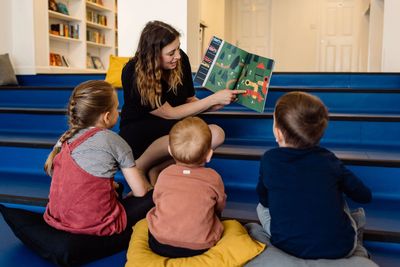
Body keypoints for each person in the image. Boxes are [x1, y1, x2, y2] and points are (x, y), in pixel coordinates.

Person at [119, 20, 244, 184]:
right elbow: (169, 113)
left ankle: (158, 168)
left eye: (178, 48)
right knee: (183, 132)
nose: (178, 55)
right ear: (153, 55)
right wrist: (211, 99)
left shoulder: (180, 59)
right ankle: (141, 167)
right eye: (171, 53)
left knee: (217, 134)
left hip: (174, 125)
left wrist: (215, 105)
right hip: (141, 131)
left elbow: (189, 101)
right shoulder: (132, 71)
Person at [256, 91, 372, 259]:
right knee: (340, 197)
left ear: (278, 132)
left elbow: (264, 199)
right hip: (339, 247)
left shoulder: (269, 159)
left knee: (261, 208)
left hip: (287, 245)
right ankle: (353, 223)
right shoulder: (329, 160)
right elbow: (364, 196)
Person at [43, 80, 154, 236]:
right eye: (116, 108)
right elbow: (141, 192)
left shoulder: (65, 138)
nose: (118, 111)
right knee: (152, 196)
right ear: (107, 116)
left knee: (116, 187)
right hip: (94, 224)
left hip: (57, 218)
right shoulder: (113, 140)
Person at [146, 116, 226, 258]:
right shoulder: (214, 177)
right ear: (209, 155)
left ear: (170, 151)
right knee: (217, 220)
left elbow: (156, 199)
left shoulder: (164, 174)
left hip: (159, 244)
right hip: (200, 246)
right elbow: (220, 206)